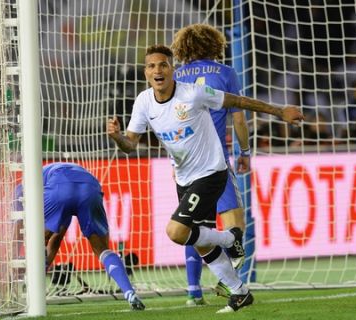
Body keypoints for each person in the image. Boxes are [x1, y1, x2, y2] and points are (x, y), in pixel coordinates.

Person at [107, 44, 304, 313]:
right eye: (152, 66)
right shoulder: (143, 102)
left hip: (212, 172)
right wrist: (118, 137)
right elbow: (131, 144)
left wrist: (280, 111)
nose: (157, 70)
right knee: (200, 242)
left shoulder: (193, 93)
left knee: (176, 232)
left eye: (163, 64)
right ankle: (239, 292)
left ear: (172, 69)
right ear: (145, 73)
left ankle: (228, 239)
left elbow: (237, 101)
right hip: (184, 178)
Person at [170, 23, 250, 306]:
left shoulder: (175, 76)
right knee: (236, 227)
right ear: (215, 44)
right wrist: (246, 151)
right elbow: (239, 117)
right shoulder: (225, 73)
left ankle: (194, 292)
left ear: (183, 48)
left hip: (185, 162)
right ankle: (230, 283)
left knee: (193, 227)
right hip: (215, 161)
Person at [16, 163, 145, 310]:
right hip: (90, 187)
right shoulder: (46, 172)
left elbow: (26, 231)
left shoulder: (23, 189)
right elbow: (56, 239)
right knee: (102, 249)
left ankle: (31, 291)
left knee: (38, 240)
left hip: (59, 186)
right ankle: (130, 294)